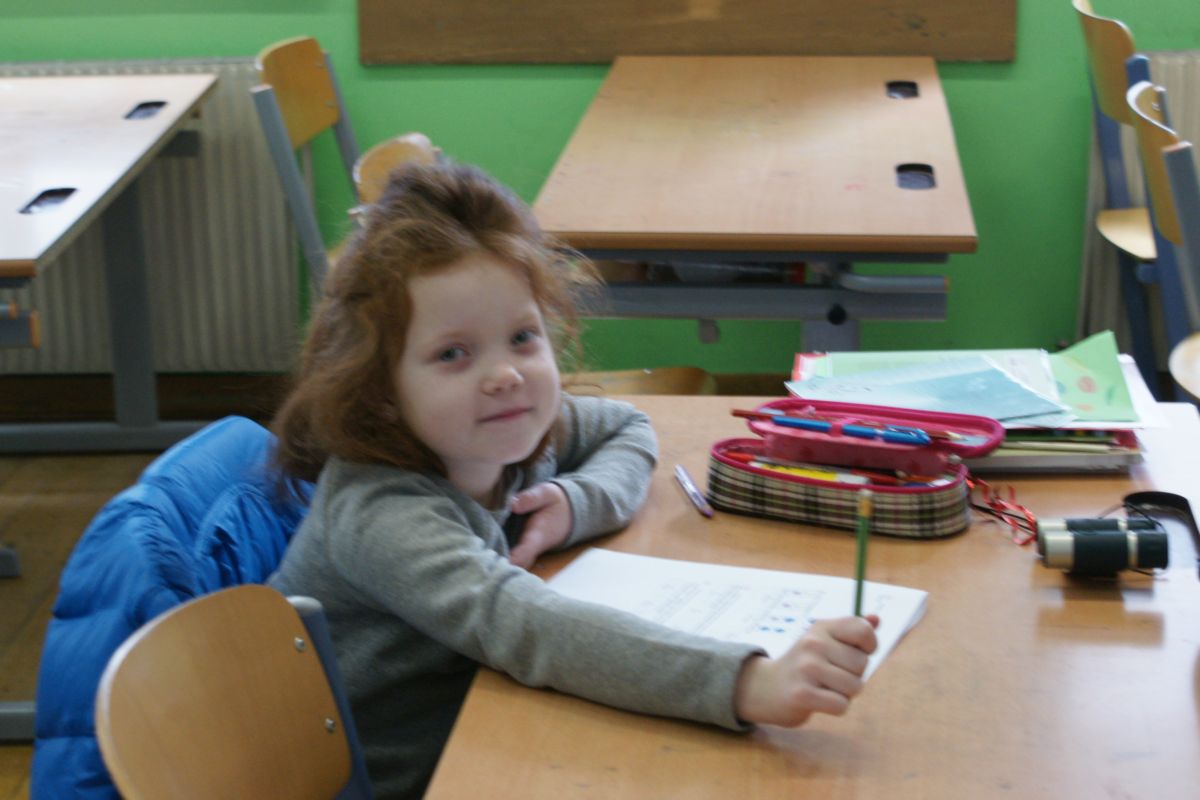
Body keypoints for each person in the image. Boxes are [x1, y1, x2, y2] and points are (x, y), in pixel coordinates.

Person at [268, 161, 879, 799]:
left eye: (522, 337)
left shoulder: (500, 435)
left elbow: (628, 427)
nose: (506, 375)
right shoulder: (381, 512)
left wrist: (574, 499)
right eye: (453, 353)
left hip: (486, 725)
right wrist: (750, 684)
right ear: (379, 389)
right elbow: (530, 628)